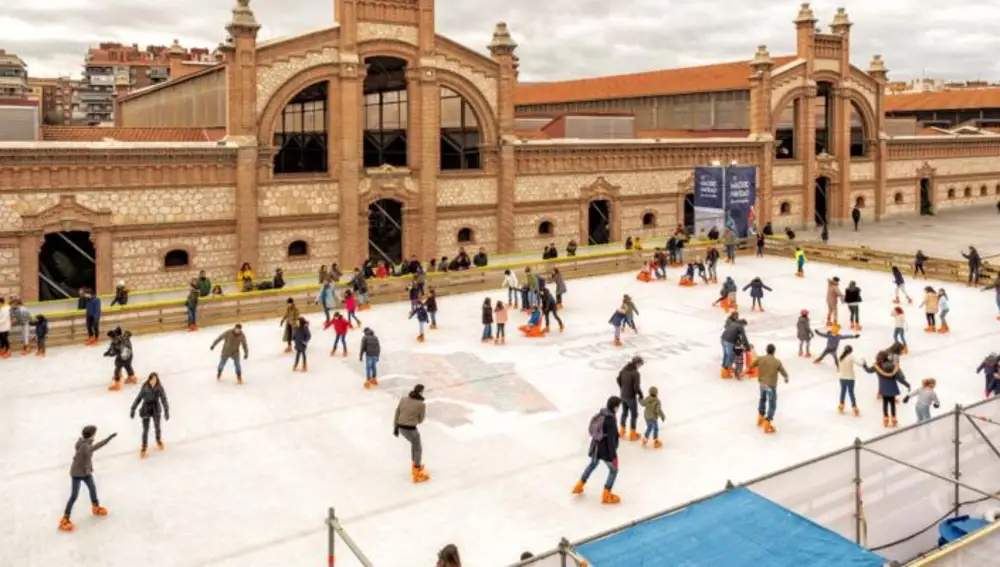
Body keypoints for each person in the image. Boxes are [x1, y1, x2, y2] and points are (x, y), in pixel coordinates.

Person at [59, 425, 116, 532]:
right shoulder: (85, 446)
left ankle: (96, 507)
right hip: (77, 474)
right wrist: (108, 439)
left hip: (86, 472)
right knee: (74, 496)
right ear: (91, 434)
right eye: (94, 433)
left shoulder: (84, 442)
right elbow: (95, 447)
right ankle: (65, 519)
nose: (95, 434)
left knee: (93, 489)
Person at [572, 396, 622, 504]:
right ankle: (606, 494)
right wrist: (613, 456)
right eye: (618, 406)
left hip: (595, 446)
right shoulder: (610, 420)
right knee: (614, 470)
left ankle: (579, 485)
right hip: (605, 450)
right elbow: (611, 440)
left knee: (592, 464)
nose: (619, 409)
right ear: (615, 407)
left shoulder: (601, 413)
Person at [749, 344, 788, 434]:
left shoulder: (760, 358)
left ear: (766, 350)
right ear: (774, 351)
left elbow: (751, 365)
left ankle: (760, 417)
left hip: (762, 384)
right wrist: (786, 378)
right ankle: (767, 421)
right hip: (770, 386)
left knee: (762, 399)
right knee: (772, 403)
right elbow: (783, 371)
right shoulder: (777, 361)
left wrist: (746, 370)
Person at [394, 384, 429, 483]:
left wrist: (396, 427)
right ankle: (417, 472)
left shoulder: (404, 399)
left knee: (414, 445)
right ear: (421, 392)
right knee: (418, 447)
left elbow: (397, 412)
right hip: (411, 429)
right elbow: (421, 419)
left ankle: (415, 465)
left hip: (400, 427)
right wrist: (413, 420)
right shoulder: (421, 404)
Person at [129, 373, 170, 458]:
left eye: (155, 380)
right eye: (152, 379)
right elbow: (138, 398)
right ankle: (144, 447)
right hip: (146, 409)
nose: (153, 381)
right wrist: (133, 409)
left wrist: (166, 410)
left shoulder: (159, 387)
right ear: (149, 379)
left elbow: (164, 398)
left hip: (156, 409)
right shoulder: (145, 388)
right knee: (145, 429)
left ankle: (158, 440)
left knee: (157, 426)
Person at [616, 356, 644, 441]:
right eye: (640, 364)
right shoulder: (635, 373)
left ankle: (622, 431)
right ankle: (632, 433)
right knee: (634, 414)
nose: (641, 366)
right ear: (637, 364)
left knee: (624, 413)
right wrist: (640, 395)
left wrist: (622, 388)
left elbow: (618, 379)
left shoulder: (624, 369)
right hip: (631, 397)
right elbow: (636, 386)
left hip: (623, 395)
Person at [836, 346, 865, 416]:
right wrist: (863, 360)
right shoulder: (851, 357)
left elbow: (838, 368)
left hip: (842, 378)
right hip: (850, 378)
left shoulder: (840, 357)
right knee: (851, 392)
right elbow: (860, 364)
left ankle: (841, 406)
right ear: (851, 351)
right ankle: (854, 408)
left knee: (843, 391)